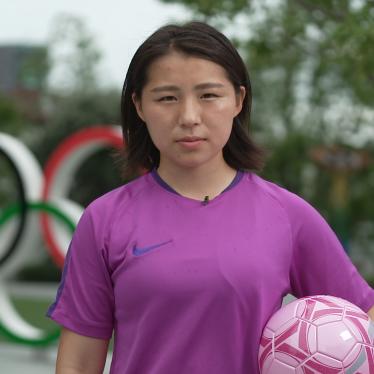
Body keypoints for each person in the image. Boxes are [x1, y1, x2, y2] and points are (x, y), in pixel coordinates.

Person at [47, 21, 374, 374]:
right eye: (167, 97)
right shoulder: (105, 219)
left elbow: (363, 317)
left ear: (238, 100)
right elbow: (78, 364)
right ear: (139, 106)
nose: (189, 117)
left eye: (209, 95)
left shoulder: (287, 214)